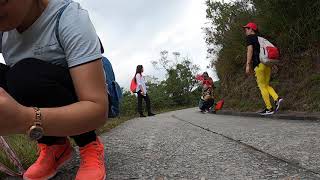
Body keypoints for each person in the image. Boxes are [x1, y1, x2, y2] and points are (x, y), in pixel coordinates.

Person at [0, 0, 107, 179]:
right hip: (34, 88)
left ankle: (89, 143)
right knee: (19, 75)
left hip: (80, 96)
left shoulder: (69, 18)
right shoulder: (4, 27)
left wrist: (23, 119)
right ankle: (54, 146)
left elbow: (98, 110)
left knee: (24, 74)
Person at [243, 22, 283, 115]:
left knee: (262, 86)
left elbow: (250, 51)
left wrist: (248, 64)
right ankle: (277, 98)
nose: (245, 30)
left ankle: (269, 108)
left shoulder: (250, 38)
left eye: (247, 29)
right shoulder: (261, 39)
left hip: (259, 65)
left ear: (251, 29)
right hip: (267, 64)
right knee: (266, 85)